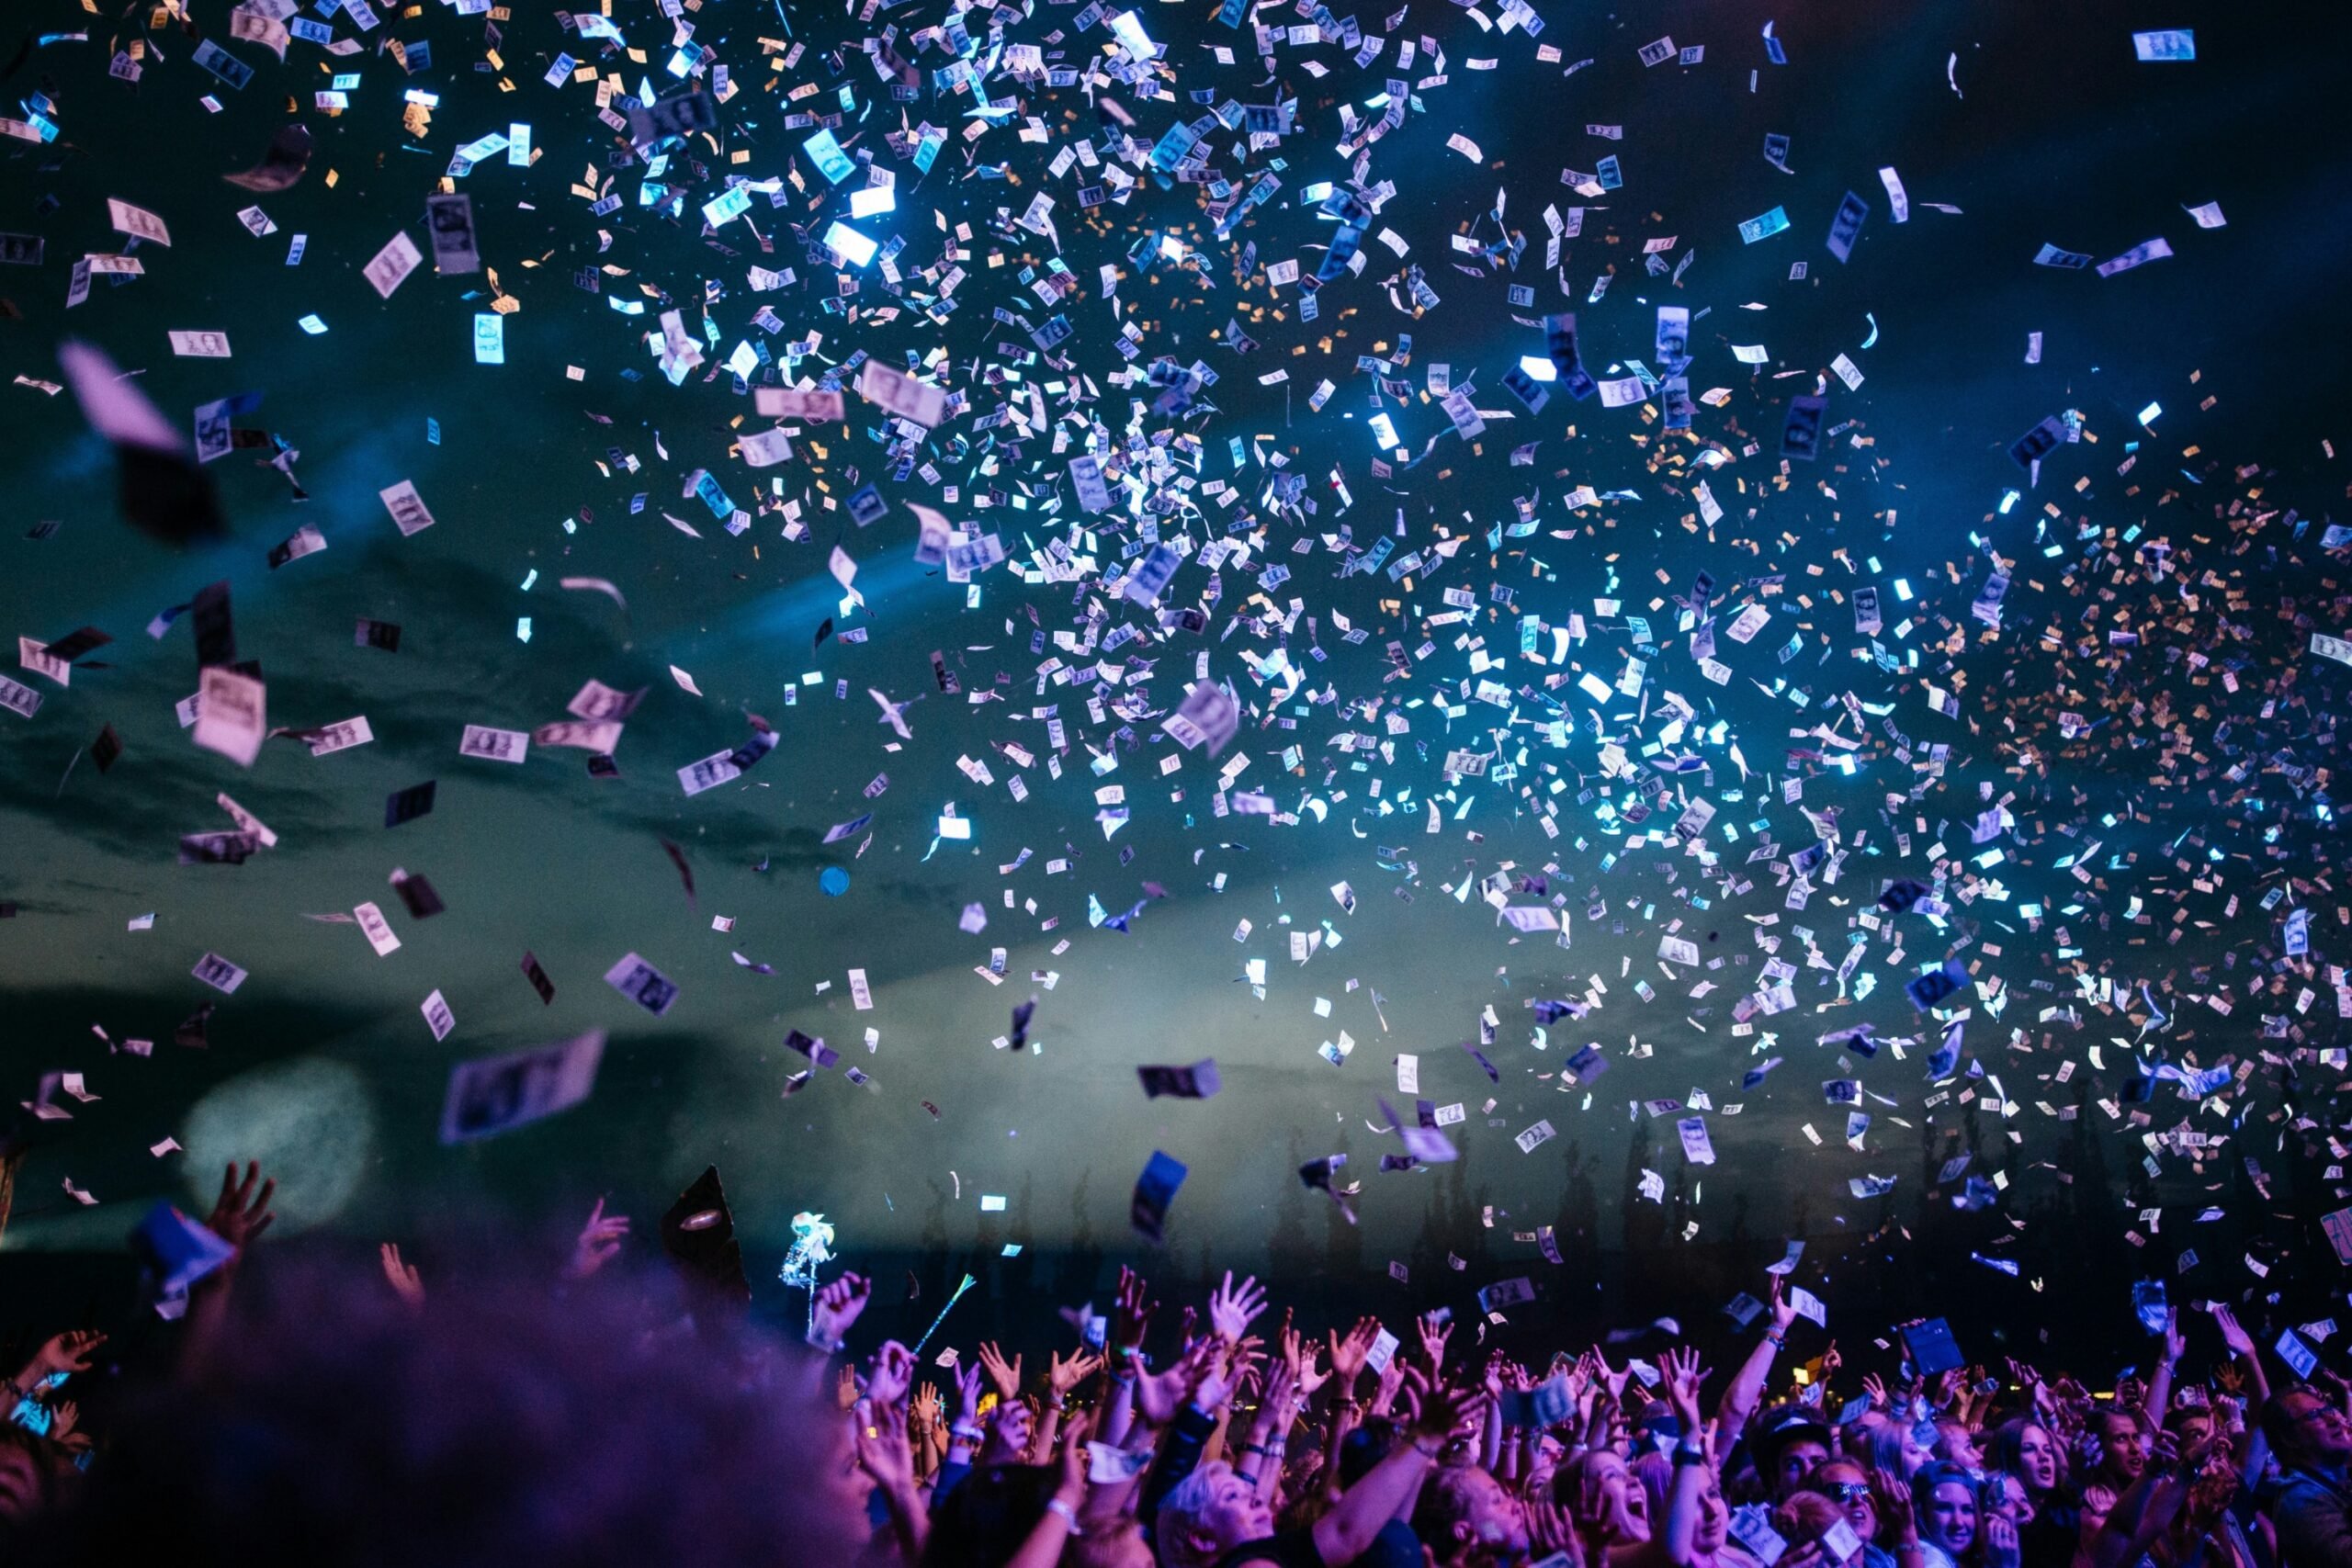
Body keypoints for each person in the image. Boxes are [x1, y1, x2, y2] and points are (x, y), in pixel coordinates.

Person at [2265, 1389, 2352, 1568]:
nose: (2334, 1419)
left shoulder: (2332, 1477)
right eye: (2314, 1415)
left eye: (2328, 1409)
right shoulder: (2300, 1499)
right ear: (2288, 1438)